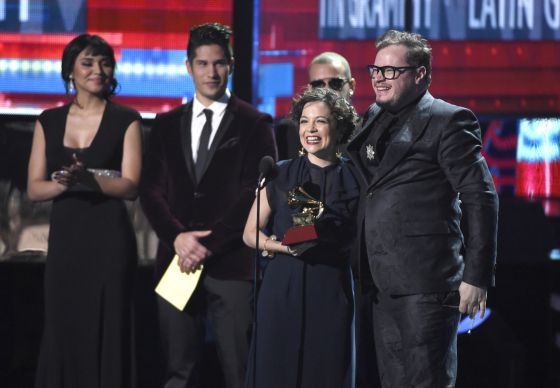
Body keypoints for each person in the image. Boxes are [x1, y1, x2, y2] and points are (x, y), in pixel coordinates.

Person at [346, 30, 499, 388]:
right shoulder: (371, 115)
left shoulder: (449, 120)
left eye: (391, 72)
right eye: (375, 70)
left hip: (426, 283)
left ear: (420, 74)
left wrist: (476, 276)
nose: (380, 79)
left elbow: (481, 196)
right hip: (378, 279)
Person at [139, 23, 276, 388]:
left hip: (231, 265)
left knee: (241, 370)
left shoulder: (255, 123)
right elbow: (150, 190)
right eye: (202, 63)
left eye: (218, 63)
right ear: (188, 66)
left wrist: (207, 245)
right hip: (176, 261)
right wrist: (178, 239)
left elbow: (255, 193)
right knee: (177, 371)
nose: (211, 72)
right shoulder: (166, 124)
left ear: (230, 64)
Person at [28, 34, 143, 388]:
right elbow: (34, 188)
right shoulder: (47, 120)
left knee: (109, 326)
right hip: (66, 240)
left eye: (105, 62)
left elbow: (131, 186)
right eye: (88, 63)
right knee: (64, 325)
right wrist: (66, 183)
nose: (98, 70)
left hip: (109, 239)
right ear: (70, 71)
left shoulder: (127, 119)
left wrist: (90, 180)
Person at [243, 87, 360, 388]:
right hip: (283, 284)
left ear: (339, 125)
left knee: (326, 370)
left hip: (331, 285)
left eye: (320, 121)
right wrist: (278, 246)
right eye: (304, 121)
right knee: (275, 369)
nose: (310, 129)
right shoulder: (279, 173)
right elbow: (249, 233)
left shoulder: (356, 178)